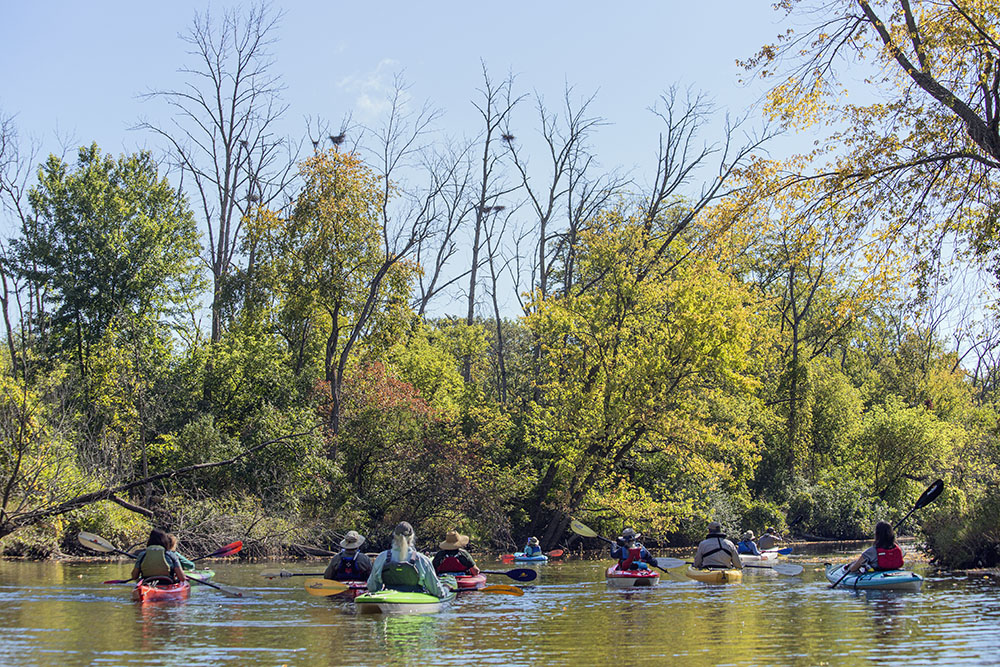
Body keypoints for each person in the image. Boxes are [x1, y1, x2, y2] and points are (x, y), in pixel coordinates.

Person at [367, 522, 450, 598]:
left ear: (394, 536)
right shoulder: (422, 559)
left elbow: (372, 587)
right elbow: (436, 591)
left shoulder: (381, 557)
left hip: (388, 595)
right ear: (412, 537)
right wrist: (446, 590)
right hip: (415, 598)